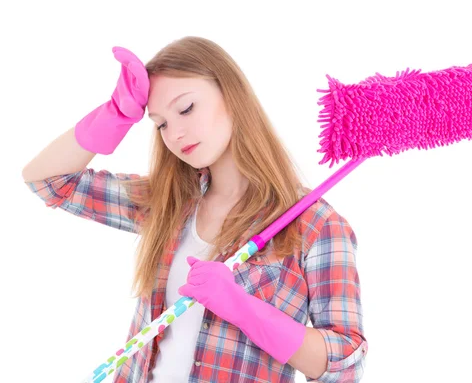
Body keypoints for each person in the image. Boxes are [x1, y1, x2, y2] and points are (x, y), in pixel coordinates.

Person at [22, 36, 367, 383]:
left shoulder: (316, 225)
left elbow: (345, 365)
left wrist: (243, 309)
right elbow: (49, 181)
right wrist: (114, 114)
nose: (175, 134)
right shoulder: (169, 203)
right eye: (161, 123)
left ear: (233, 97)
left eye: (186, 108)